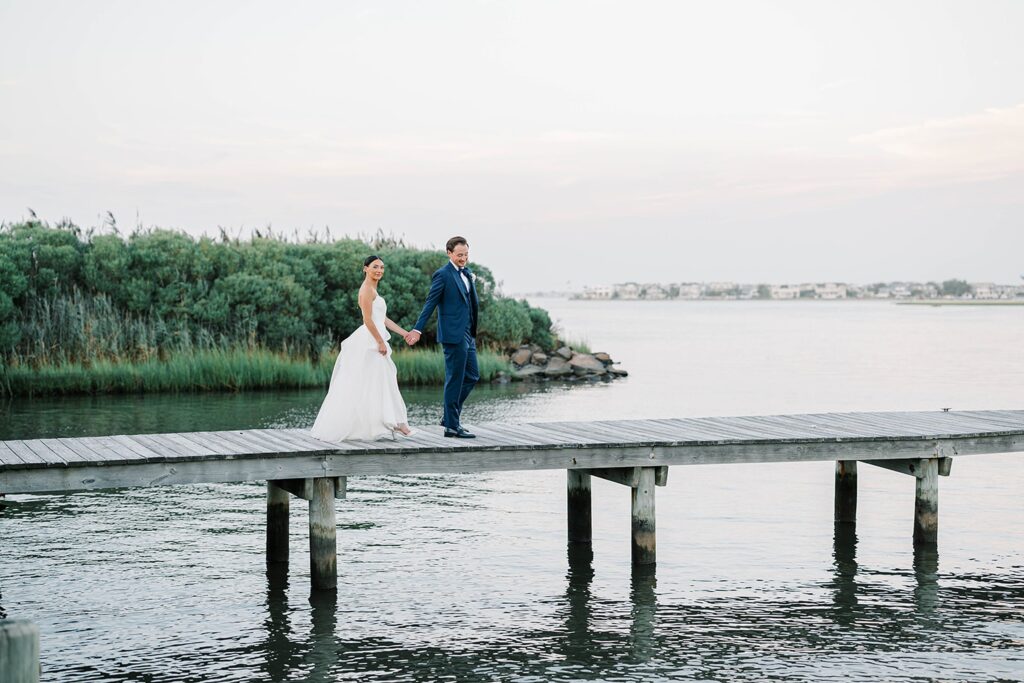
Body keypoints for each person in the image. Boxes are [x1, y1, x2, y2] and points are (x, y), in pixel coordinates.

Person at [310, 255, 415, 441]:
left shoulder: (374, 289)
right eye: (375, 266)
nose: (379, 270)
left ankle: (390, 422)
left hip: (375, 337)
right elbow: (367, 320)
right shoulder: (366, 289)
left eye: (382, 267)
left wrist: (404, 333)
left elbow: (382, 318)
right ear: (365, 268)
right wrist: (380, 342)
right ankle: (397, 423)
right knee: (379, 378)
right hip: (370, 341)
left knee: (378, 380)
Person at [405, 236, 479, 438]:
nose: (463, 258)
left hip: (467, 333)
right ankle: (452, 427)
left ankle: (448, 416)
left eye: (466, 254)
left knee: (473, 375)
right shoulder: (443, 275)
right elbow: (430, 303)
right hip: (452, 335)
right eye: (459, 255)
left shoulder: (468, 273)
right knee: (454, 379)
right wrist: (417, 330)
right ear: (449, 253)